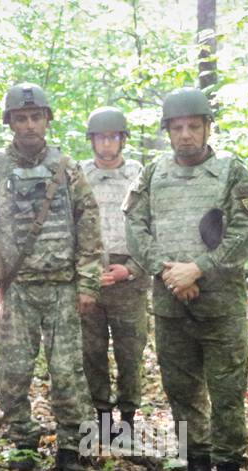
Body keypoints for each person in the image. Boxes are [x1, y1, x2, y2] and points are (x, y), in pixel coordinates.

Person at [124, 86, 248, 471]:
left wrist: (199, 268)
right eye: (177, 128)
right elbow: (135, 227)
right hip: (170, 303)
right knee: (181, 390)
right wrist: (169, 272)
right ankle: (195, 468)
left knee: (226, 393)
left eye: (193, 126)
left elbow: (245, 233)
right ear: (167, 131)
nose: (185, 135)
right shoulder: (151, 174)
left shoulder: (232, 172)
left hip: (219, 305)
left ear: (207, 127)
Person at [0, 82, 102, 471]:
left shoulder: (67, 166)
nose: (29, 125)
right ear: (9, 122)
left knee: (67, 373)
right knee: (13, 371)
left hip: (62, 286)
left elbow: (89, 225)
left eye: (35, 117)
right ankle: (23, 440)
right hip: (19, 288)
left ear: (47, 119)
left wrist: (88, 283)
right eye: (20, 118)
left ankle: (69, 447)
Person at [79, 106, 149, 451]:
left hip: (129, 277)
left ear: (122, 140)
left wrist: (132, 268)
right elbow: (70, 226)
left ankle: (128, 421)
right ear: (92, 141)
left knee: (130, 353)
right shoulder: (79, 174)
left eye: (113, 137)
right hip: (92, 272)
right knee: (91, 351)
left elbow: (152, 226)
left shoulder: (139, 173)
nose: (107, 144)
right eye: (101, 137)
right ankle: (102, 419)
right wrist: (87, 272)